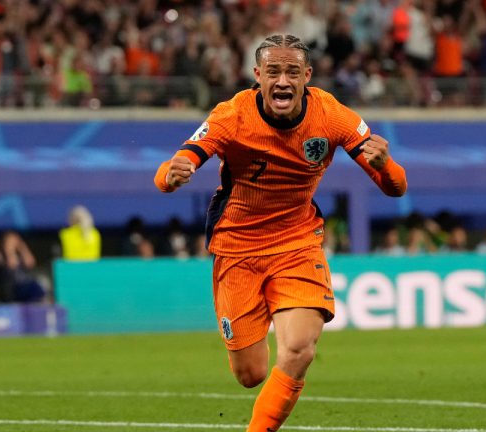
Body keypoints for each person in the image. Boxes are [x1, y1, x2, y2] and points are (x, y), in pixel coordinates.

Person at [154, 34, 407, 431]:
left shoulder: (332, 116)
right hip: (237, 248)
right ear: (258, 75)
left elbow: (395, 187)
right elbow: (179, 161)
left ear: (307, 76)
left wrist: (387, 165)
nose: (283, 80)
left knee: (299, 349)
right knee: (250, 374)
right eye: (273, 71)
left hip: (297, 242)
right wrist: (171, 175)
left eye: (292, 71)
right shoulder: (232, 115)